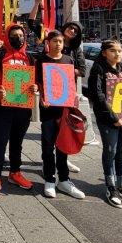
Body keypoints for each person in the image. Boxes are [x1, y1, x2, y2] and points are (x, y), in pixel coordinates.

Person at [86, 39, 122, 209]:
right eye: (113, 51)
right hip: (109, 120)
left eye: (119, 51)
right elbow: (97, 96)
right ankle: (110, 187)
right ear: (104, 52)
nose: (117, 54)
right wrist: (113, 117)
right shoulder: (98, 69)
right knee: (110, 151)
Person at [0, 25, 37, 197]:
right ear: (8, 37)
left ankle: (15, 172)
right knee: (1, 141)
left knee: (17, 142)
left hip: (22, 108)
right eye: (14, 35)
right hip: (2, 107)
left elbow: (35, 79)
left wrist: (35, 87)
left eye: (21, 35)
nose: (18, 38)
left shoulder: (29, 57)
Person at [35, 30, 85, 200]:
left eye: (61, 42)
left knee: (63, 145)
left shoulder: (68, 60)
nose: (58, 44)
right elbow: (38, 82)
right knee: (48, 146)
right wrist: (41, 96)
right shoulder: (41, 60)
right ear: (48, 43)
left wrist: (74, 98)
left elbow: (71, 83)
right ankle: (49, 179)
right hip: (48, 110)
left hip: (64, 110)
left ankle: (64, 179)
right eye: (55, 41)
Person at [61, 21, 87, 168]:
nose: (72, 31)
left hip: (68, 91)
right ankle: (51, 156)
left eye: (75, 31)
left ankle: (64, 158)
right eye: (71, 27)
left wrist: (63, 69)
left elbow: (82, 70)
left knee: (66, 126)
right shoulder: (52, 41)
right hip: (52, 90)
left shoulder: (76, 50)